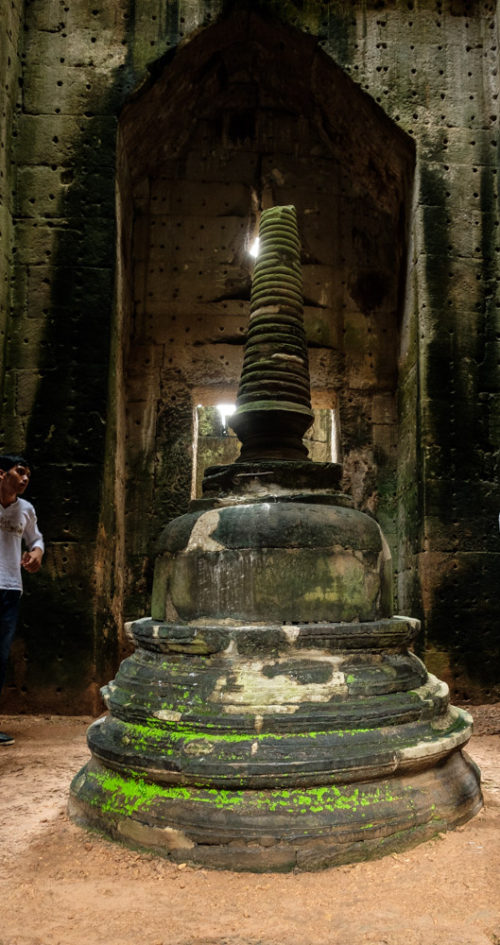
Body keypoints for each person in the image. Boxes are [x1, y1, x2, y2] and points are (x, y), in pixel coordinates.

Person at [0, 454, 44, 745]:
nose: (25, 478)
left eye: (28, 474)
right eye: (19, 472)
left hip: (10, 590)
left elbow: (36, 539)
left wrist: (37, 554)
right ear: (2, 474)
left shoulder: (26, 509)